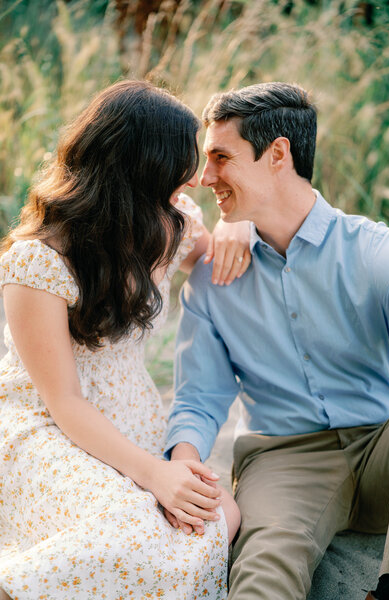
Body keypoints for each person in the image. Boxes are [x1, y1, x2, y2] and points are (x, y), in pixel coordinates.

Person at [0, 80, 245, 600]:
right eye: (181, 167)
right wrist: (155, 473)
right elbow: (63, 401)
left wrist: (235, 229)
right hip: (50, 428)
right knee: (130, 528)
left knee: (219, 516)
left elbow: (213, 247)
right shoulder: (35, 262)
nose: (198, 179)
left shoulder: (169, 225)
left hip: (135, 423)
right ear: (140, 172)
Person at [165, 82, 389, 600]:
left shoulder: (377, 253)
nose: (205, 179)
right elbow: (198, 398)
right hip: (284, 458)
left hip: (386, 446)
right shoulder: (210, 280)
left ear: (277, 154)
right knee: (263, 573)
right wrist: (184, 467)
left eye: (221, 158)